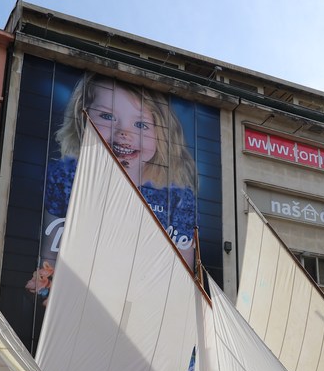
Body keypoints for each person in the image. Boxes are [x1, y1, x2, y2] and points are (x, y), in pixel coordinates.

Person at [28, 74, 199, 304]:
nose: (123, 133)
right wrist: (48, 284)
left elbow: (182, 276)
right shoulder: (66, 179)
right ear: (83, 118)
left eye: (141, 124)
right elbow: (50, 254)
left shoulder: (177, 200)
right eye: (107, 116)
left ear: (163, 134)